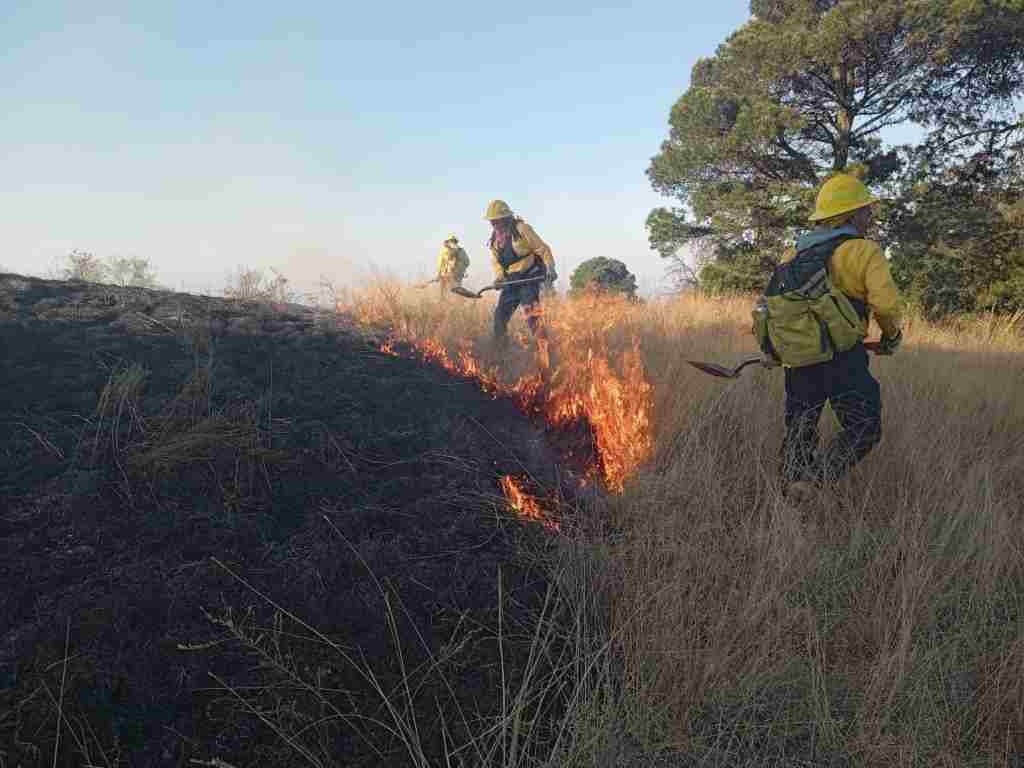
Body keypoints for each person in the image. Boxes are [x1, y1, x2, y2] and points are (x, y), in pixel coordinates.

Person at [753, 174, 903, 502]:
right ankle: (813, 483)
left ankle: (790, 498)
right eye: (865, 210)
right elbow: (887, 305)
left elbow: (775, 307)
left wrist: (773, 349)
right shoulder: (864, 251)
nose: (870, 216)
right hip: (843, 356)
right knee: (864, 426)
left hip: (799, 357)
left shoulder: (792, 254)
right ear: (850, 215)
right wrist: (891, 337)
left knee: (800, 429)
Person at [484, 200, 557, 349]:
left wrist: (550, 267)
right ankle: (501, 353)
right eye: (492, 222)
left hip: (529, 278)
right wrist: (499, 278)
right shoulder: (494, 240)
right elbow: (497, 263)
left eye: (497, 221)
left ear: (506, 218)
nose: (494, 225)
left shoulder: (522, 229)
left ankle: (545, 352)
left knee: (532, 318)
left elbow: (542, 249)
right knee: (499, 319)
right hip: (511, 282)